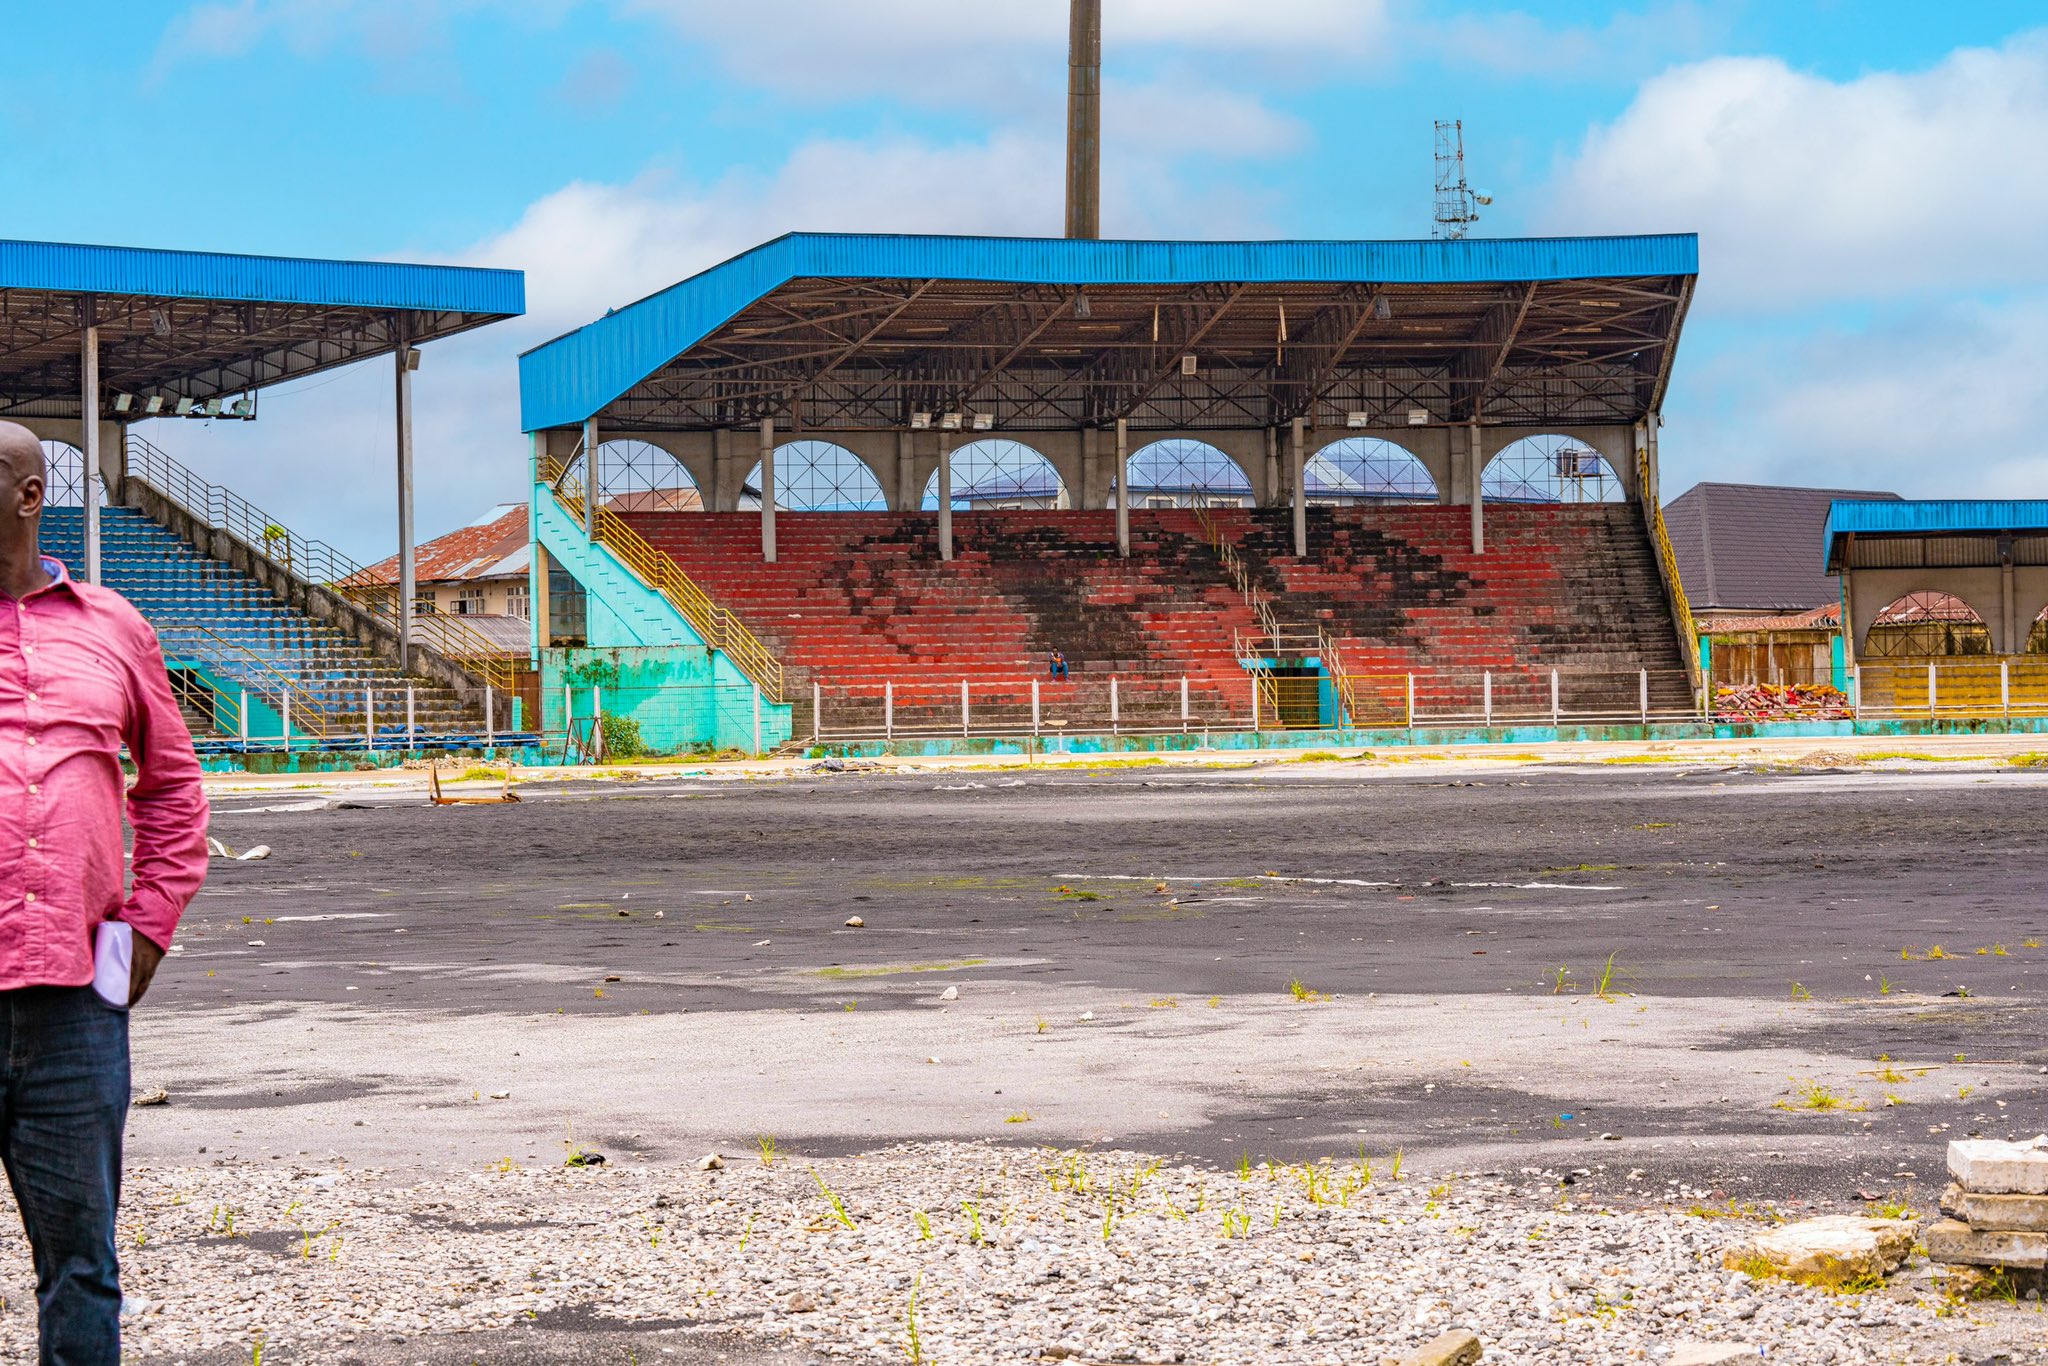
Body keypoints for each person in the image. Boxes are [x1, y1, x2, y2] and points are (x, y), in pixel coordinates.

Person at [0, 420, 208, 1364]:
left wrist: (148, 935)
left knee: (81, 1265)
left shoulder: (116, 629)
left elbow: (170, 791)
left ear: (28, 495)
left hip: (73, 1007)